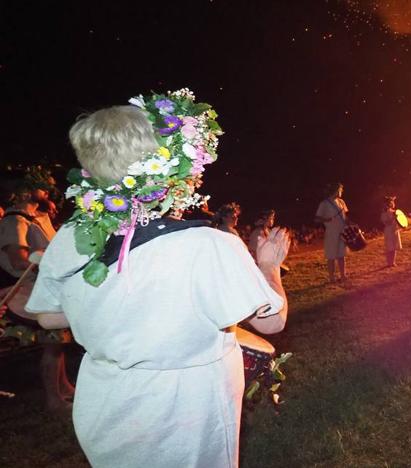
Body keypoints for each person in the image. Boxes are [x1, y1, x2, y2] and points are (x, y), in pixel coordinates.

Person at [25, 91, 288, 468]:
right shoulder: (207, 244)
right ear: (168, 166)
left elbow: (48, 317)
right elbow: (272, 321)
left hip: (106, 400)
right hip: (185, 409)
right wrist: (269, 266)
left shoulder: (72, 236)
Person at [0, 181, 74, 412]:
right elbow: (18, 260)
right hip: (27, 291)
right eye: (40, 187)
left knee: (59, 341)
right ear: (25, 192)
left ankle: (65, 388)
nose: (45, 192)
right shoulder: (15, 221)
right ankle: (53, 399)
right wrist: (47, 261)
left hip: (44, 287)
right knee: (52, 342)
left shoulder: (35, 218)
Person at [314, 182, 348, 282]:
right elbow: (317, 219)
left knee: (342, 255)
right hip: (331, 232)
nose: (342, 192)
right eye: (341, 190)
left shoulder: (341, 202)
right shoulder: (324, 204)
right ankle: (332, 278)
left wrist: (350, 224)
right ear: (336, 190)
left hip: (342, 231)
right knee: (331, 256)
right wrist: (326, 220)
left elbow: (345, 217)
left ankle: (343, 275)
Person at [380, 196, 402, 267]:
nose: (393, 203)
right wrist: (393, 218)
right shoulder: (385, 212)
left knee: (394, 247)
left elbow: (399, 220)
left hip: (394, 230)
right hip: (389, 231)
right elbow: (387, 223)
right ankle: (389, 262)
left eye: (393, 202)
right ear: (388, 203)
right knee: (390, 247)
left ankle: (393, 262)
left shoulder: (394, 211)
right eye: (392, 202)